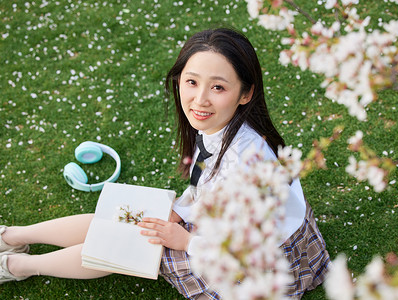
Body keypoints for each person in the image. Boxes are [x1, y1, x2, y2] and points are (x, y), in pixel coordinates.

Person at [0, 28, 330, 299]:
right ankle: (12, 236)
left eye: (218, 87)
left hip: (259, 261)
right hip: (230, 226)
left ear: (245, 93)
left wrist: (186, 240)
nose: (200, 99)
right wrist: (183, 210)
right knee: (131, 218)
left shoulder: (248, 166)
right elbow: (203, 177)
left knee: (129, 242)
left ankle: (18, 265)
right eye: (192, 81)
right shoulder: (220, 128)